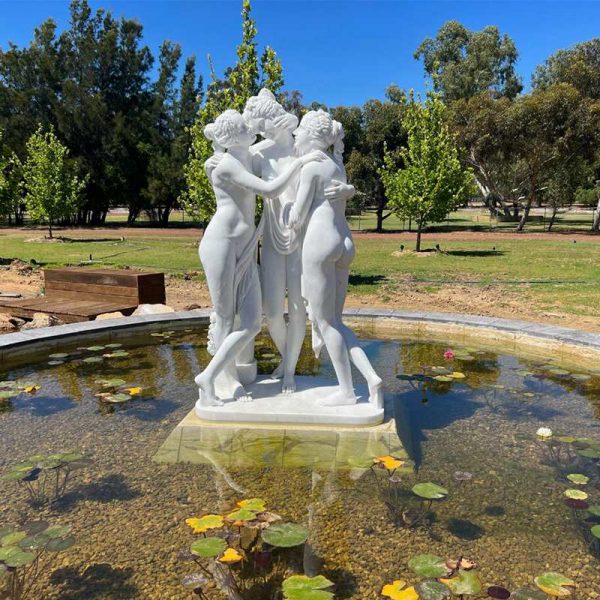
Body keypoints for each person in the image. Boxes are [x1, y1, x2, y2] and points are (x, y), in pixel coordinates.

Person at [194, 109, 324, 407]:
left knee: (252, 321)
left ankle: (216, 375)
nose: (251, 128)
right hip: (223, 243)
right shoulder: (235, 161)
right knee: (229, 316)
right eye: (245, 126)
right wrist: (301, 163)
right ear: (234, 136)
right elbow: (269, 188)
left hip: (250, 246)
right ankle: (222, 379)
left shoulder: (248, 157)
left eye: (252, 124)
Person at [242, 89, 355, 393]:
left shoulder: (303, 145)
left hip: (303, 236)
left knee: (298, 307)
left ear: (275, 119)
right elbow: (242, 185)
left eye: (263, 124)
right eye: (257, 127)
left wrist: (347, 190)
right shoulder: (256, 154)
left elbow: (335, 178)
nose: (260, 131)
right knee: (272, 312)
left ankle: (290, 370)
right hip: (272, 233)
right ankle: (285, 359)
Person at [286, 110, 383, 408]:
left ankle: (346, 391)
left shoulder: (311, 168)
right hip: (344, 242)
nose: (295, 136)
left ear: (310, 135)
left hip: (320, 243)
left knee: (326, 324)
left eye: (298, 131)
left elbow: (297, 216)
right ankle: (372, 379)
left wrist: (284, 211)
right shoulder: (336, 166)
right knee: (337, 323)